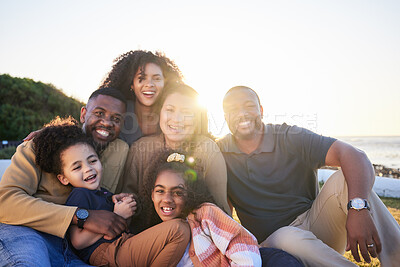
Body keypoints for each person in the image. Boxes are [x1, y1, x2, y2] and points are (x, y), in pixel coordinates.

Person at [217, 86, 400, 266]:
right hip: (274, 243)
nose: (242, 114)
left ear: (261, 110)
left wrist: (358, 209)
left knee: (343, 180)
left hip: (317, 226)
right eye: (233, 109)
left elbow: (355, 155)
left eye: (249, 106)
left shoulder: (289, 137)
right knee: (286, 236)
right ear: (226, 117)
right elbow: (221, 209)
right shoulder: (220, 154)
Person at [33, 118, 190, 266]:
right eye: (77, 167)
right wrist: (117, 216)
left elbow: (118, 227)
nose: (88, 169)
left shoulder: (106, 194)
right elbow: (77, 241)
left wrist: (126, 209)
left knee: (179, 229)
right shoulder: (80, 194)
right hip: (105, 253)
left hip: (122, 245)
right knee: (178, 229)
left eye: (92, 161)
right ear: (64, 179)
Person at [0, 88, 130, 266]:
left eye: (116, 119)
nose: (107, 123)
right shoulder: (38, 146)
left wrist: (119, 200)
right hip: (27, 232)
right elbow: (5, 202)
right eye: (99, 113)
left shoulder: (118, 151)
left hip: (74, 247)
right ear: (83, 114)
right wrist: (80, 216)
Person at [118, 83, 231, 221]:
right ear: (160, 112)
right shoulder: (141, 149)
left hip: (194, 233)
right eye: (170, 110)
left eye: (187, 113)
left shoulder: (208, 149)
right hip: (146, 234)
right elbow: (128, 201)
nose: (177, 119)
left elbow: (220, 207)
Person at [140, 150, 262, 266]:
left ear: (190, 193)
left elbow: (245, 251)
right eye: (160, 191)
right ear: (152, 195)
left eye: (177, 192)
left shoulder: (205, 215)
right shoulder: (155, 232)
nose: (167, 199)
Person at [100, 50, 183, 145]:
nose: (149, 84)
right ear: (132, 84)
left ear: (165, 83)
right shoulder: (119, 111)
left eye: (157, 79)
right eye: (142, 78)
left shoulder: (172, 115)